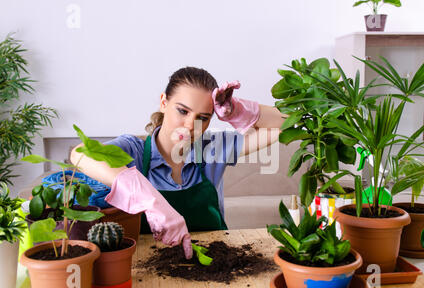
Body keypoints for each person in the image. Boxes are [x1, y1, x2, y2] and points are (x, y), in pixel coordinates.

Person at [70, 66, 285, 260]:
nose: (191, 125)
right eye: (183, 111)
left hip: (215, 261)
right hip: (150, 264)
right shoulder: (133, 150)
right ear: (164, 103)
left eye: (203, 117)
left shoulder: (212, 149)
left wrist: (237, 110)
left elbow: (285, 124)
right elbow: (81, 153)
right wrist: (152, 200)